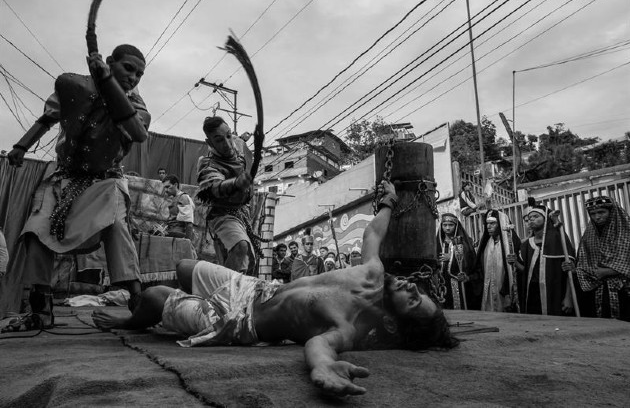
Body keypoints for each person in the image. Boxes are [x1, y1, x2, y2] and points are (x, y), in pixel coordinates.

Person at [91, 180, 458, 396]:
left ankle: (136, 320)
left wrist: (323, 369)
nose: (411, 286)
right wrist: (388, 202)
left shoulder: (350, 327)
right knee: (186, 268)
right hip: (257, 289)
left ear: (394, 323)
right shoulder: (373, 273)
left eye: (412, 300)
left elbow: (320, 345)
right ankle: (172, 307)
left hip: (238, 319)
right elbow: (374, 232)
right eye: (417, 289)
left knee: (153, 298)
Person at [7, 45, 150, 327]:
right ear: (110, 62)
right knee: (36, 231)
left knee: (117, 228)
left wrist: (109, 84)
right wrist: (21, 146)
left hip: (105, 180)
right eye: (128, 68)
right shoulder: (75, 87)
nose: (133, 77)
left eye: (139, 74)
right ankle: (40, 311)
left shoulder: (136, 104)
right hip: (64, 177)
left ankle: (140, 306)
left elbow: (137, 133)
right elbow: (48, 119)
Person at [196, 116, 256, 275]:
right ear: (210, 143)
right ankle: (222, 293)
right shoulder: (207, 164)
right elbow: (214, 187)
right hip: (222, 216)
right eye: (219, 140)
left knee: (244, 266)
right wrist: (236, 183)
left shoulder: (238, 146)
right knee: (240, 246)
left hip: (242, 215)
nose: (227, 143)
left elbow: (240, 142)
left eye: (228, 135)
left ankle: (231, 291)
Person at [517, 199, 576, 316]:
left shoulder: (559, 238)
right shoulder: (525, 244)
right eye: (529, 217)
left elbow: (570, 272)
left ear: (546, 219)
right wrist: (514, 262)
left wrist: (569, 297)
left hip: (555, 293)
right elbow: (523, 271)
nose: (531, 219)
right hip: (532, 295)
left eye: (536, 216)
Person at [574, 196, 629, 321]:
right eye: (592, 214)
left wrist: (609, 271)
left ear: (612, 212)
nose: (597, 217)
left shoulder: (626, 233)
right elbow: (583, 262)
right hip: (596, 290)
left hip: (624, 290)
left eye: (601, 212)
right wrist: (575, 269)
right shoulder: (588, 236)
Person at [471, 210, 523, 312]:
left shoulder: (511, 244)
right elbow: (479, 270)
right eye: (487, 223)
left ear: (501, 224)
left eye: (492, 223)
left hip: (504, 292)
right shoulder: (486, 244)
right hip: (488, 291)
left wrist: (508, 292)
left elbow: (515, 271)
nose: (488, 226)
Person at [436, 213, 477, 310]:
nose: (447, 228)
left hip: (457, 281)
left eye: (451, 225)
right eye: (444, 225)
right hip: (441, 281)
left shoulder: (463, 242)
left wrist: (451, 257)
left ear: (456, 226)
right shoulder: (437, 242)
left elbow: (469, 261)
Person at [162, 175, 195, 240]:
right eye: (164, 188)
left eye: (168, 187)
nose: (166, 190)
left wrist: (187, 241)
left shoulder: (183, 198)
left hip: (179, 236)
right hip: (172, 234)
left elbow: (189, 224)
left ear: (175, 185)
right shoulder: (174, 198)